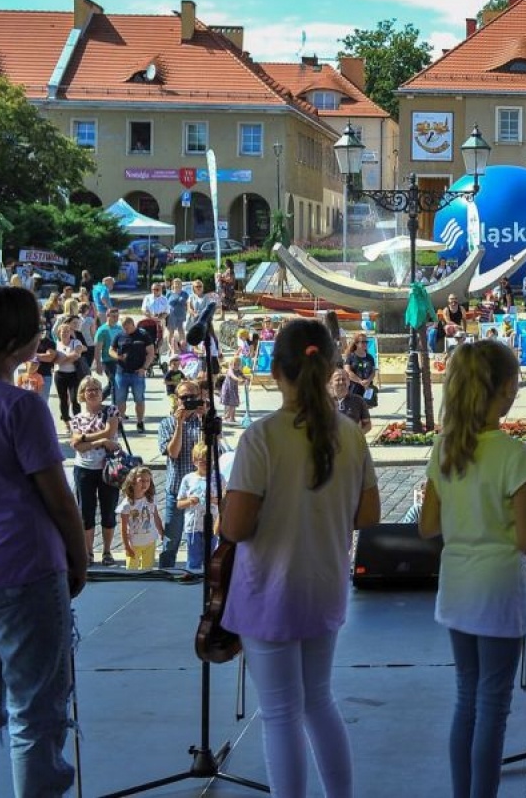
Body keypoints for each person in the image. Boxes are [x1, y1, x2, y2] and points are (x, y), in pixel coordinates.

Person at [220, 318, 381, 798]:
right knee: (318, 703)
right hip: (324, 582)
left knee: (279, 714)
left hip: (269, 589)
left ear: (275, 371)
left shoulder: (261, 437)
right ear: (331, 366)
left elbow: (236, 527)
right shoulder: (349, 433)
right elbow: (368, 513)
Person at [0, 286, 87, 796]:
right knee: (35, 713)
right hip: (22, 570)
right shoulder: (21, 407)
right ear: (16, 342)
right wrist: (78, 561)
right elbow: (58, 499)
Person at [418, 339, 526, 798]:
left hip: (457, 588)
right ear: (507, 389)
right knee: (494, 704)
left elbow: (428, 526)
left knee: (466, 698)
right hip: (498, 591)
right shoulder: (515, 456)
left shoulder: (445, 449)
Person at [158, 380, 227, 570]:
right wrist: (179, 424)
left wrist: (205, 419)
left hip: (204, 488)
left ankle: (203, 573)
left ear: (200, 397)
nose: (188, 401)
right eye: (184, 398)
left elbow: (215, 451)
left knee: (205, 537)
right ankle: (166, 572)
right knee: (172, 539)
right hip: (178, 488)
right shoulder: (167, 423)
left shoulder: (205, 421)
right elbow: (173, 453)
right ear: (176, 399)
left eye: (192, 397)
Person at [69, 375, 126, 565]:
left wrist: (84, 438)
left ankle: (107, 551)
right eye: (89, 390)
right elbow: (77, 446)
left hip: (109, 468)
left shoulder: (111, 410)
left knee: (108, 510)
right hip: (84, 468)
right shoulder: (76, 418)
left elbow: (110, 432)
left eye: (96, 389)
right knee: (86, 512)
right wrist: (101, 441)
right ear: (82, 394)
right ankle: (89, 552)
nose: (93, 392)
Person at [176, 442, 219, 571]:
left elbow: (225, 501)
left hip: (212, 526)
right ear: (194, 461)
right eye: (202, 461)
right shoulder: (188, 479)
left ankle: (210, 583)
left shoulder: (218, 478)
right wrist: (190, 501)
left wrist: (214, 500)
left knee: (211, 558)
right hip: (193, 526)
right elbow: (179, 504)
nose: (206, 464)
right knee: (194, 559)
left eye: (208, 461)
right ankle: (193, 579)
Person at [110, 315, 154, 432]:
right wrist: (117, 357)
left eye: (128, 328)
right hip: (121, 372)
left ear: (133, 325)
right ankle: (120, 422)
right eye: (124, 328)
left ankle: (140, 422)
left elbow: (150, 353)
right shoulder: (119, 335)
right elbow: (111, 350)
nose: (126, 330)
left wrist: (144, 368)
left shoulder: (143, 335)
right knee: (120, 400)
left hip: (137, 373)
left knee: (139, 399)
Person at [117, 466, 164, 571]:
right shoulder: (127, 504)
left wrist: (161, 532)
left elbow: (156, 516)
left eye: (147, 481)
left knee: (147, 570)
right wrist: (126, 546)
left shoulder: (151, 499)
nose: (145, 483)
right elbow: (123, 528)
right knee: (132, 571)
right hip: (134, 544)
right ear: (132, 482)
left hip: (150, 541)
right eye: (141, 480)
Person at [50, 316, 87, 426]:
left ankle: (77, 422)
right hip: (60, 375)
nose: (65, 333)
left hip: (73, 374)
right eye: (62, 331)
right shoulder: (56, 344)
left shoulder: (75, 342)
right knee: (63, 399)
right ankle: (66, 420)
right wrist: (65, 359)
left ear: (70, 332)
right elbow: (53, 359)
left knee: (74, 398)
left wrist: (62, 359)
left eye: (67, 331)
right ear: (59, 333)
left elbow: (76, 354)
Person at [330, 370, 373, 434]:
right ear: (331, 383)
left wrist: (357, 435)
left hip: (352, 442)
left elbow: (367, 424)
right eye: (337, 380)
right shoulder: (325, 402)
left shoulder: (358, 400)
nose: (341, 382)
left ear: (349, 382)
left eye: (344, 379)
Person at [344, 335, 378, 406]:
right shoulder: (351, 357)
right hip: (354, 388)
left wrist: (368, 380)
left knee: (366, 410)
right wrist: (360, 381)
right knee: (354, 409)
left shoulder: (370, 357)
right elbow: (348, 371)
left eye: (366, 342)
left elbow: (373, 371)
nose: (365, 344)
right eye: (363, 342)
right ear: (356, 343)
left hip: (367, 388)